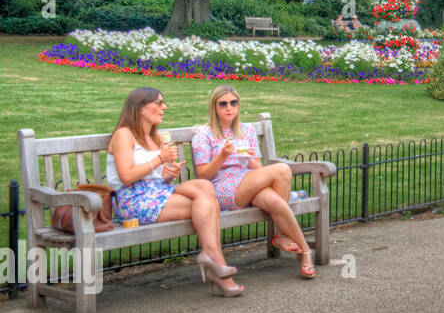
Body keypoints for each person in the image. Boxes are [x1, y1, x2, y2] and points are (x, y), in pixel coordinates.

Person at [106, 87, 242, 296]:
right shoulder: (124, 135)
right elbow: (126, 176)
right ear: (141, 108)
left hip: (158, 191)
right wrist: (160, 159)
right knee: (208, 205)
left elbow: (158, 177)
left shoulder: (155, 136)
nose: (164, 107)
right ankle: (218, 264)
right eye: (159, 103)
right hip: (133, 199)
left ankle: (211, 258)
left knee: (205, 187)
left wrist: (169, 173)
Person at [192, 85, 315, 278]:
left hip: (248, 181)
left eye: (233, 103)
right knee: (282, 169)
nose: (229, 108)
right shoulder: (204, 134)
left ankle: (305, 251)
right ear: (214, 107)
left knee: (274, 201)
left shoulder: (246, 130)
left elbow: (257, 168)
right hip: (222, 188)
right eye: (223, 104)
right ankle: (281, 235)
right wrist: (222, 156)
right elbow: (203, 176)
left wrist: (247, 158)